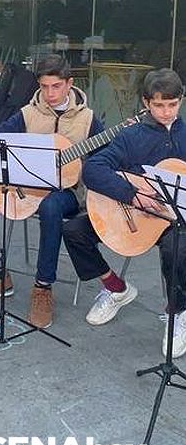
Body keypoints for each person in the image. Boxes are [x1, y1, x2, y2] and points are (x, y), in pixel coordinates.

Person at [0, 55, 104, 328]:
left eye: (56, 86)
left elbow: (107, 159)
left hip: (67, 193)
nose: (50, 93)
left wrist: (86, 169)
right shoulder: (28, 113)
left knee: (51, 208)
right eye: (44, 86)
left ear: (69, 84)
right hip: (25, 186)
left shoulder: (88, 120)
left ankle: (43, 288)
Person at [62, 68, 186, 357]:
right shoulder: (132, 136)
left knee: (176, 250)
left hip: (176, 221)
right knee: (73, 232)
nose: (166, 112)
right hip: (136, 216)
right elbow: (93, 169)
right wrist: (134, 195)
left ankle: (178, 311)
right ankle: (116, 287)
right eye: (159, 105)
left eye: (173, 104)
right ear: (146, 103)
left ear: (180, 101)